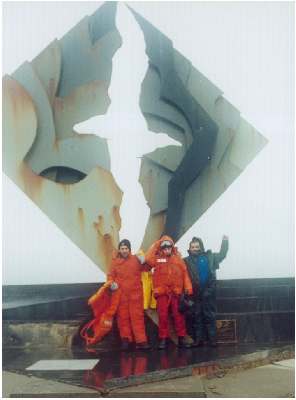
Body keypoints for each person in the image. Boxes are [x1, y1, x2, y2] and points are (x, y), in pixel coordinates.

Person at [145, 235, 193, 349]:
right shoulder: (156, 259)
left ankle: (181, 338)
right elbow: (147, 258)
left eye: (168, 247)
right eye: (164, 247)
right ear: (161, 248)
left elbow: (185, 274)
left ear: (172, 247)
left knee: (178, 316)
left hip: (176, 293)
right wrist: (158, 243)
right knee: (163, 316)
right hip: (162, 293)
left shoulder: (178, 259)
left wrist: (188, 288)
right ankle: (163, 339)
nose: (166, 249)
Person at [184, 235, 229, 347]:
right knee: (197, 318)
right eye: (193, 246)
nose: (195, 248)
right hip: (195, 295)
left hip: (209, 293)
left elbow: (222, 255)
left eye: (197, 246)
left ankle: (212, 340)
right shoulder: (185, 261)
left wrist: (225, 242)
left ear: (201, 247)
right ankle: (198, 340)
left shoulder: (209, 257)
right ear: (190, 248)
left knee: (210, 317)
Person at [107, 239, 150, 351]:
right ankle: (126, 340)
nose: (124, 250)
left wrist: (144, 261)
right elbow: (110, 276)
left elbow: (147, 268)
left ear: (129, 249)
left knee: (137, 318)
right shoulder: (115, 262)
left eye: (126, 248)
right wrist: (112, 284)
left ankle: (141, 341)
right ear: (119, 250)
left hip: (135, 295)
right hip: (121, 295)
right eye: (122, 248)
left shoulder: (136, 259)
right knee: (123, 318)